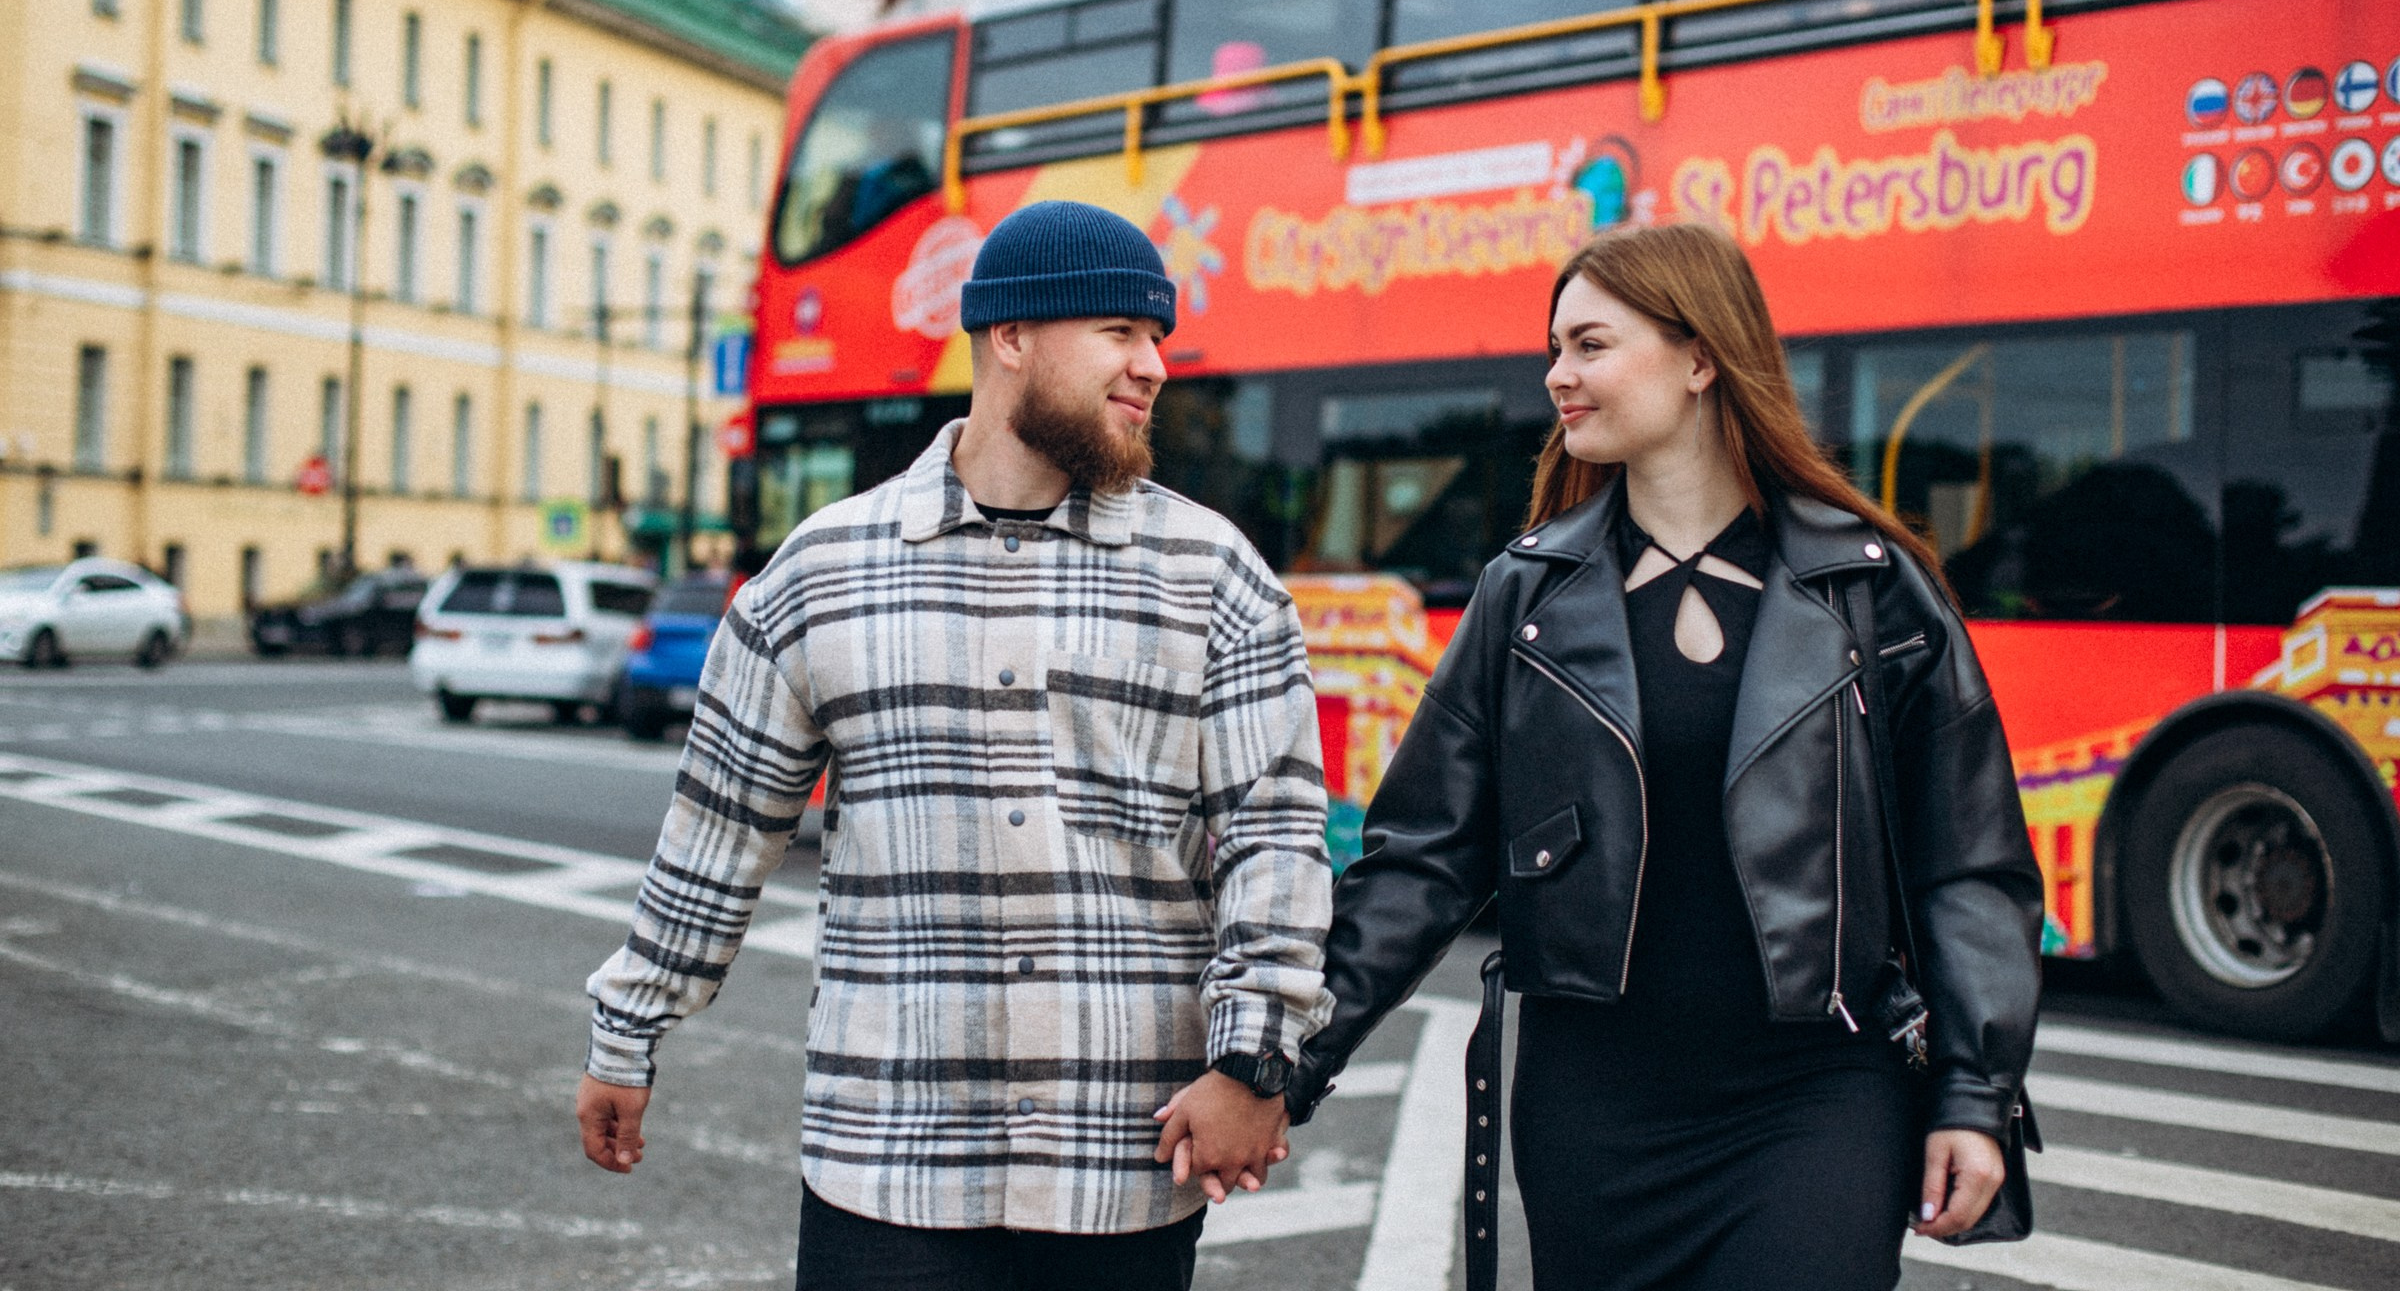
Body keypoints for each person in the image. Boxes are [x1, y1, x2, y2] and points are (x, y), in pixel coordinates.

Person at [576, 200, 1333, 1291]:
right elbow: (719, 830)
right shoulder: (820, 571)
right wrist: (627, 1028)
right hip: (885, 1158)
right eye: (1120, 331)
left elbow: (1276, 838)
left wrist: (1252, 1059)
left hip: (1118, 1159)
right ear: (1009, 336)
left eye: (1158, 337)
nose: (1154, 365)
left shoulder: (1215, 577)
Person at [1281, 223, 2044, 1290]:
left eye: (1590, 345)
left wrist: (1972, 1094)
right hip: (1595, 1105)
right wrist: (1286, 1063)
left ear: (1699, 359)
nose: (1558, 376)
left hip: (1819, 1092)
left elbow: (1969, 864)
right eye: (1554, 349)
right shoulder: (1525, 596)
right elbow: (1422, 858)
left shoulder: (1873, 592)